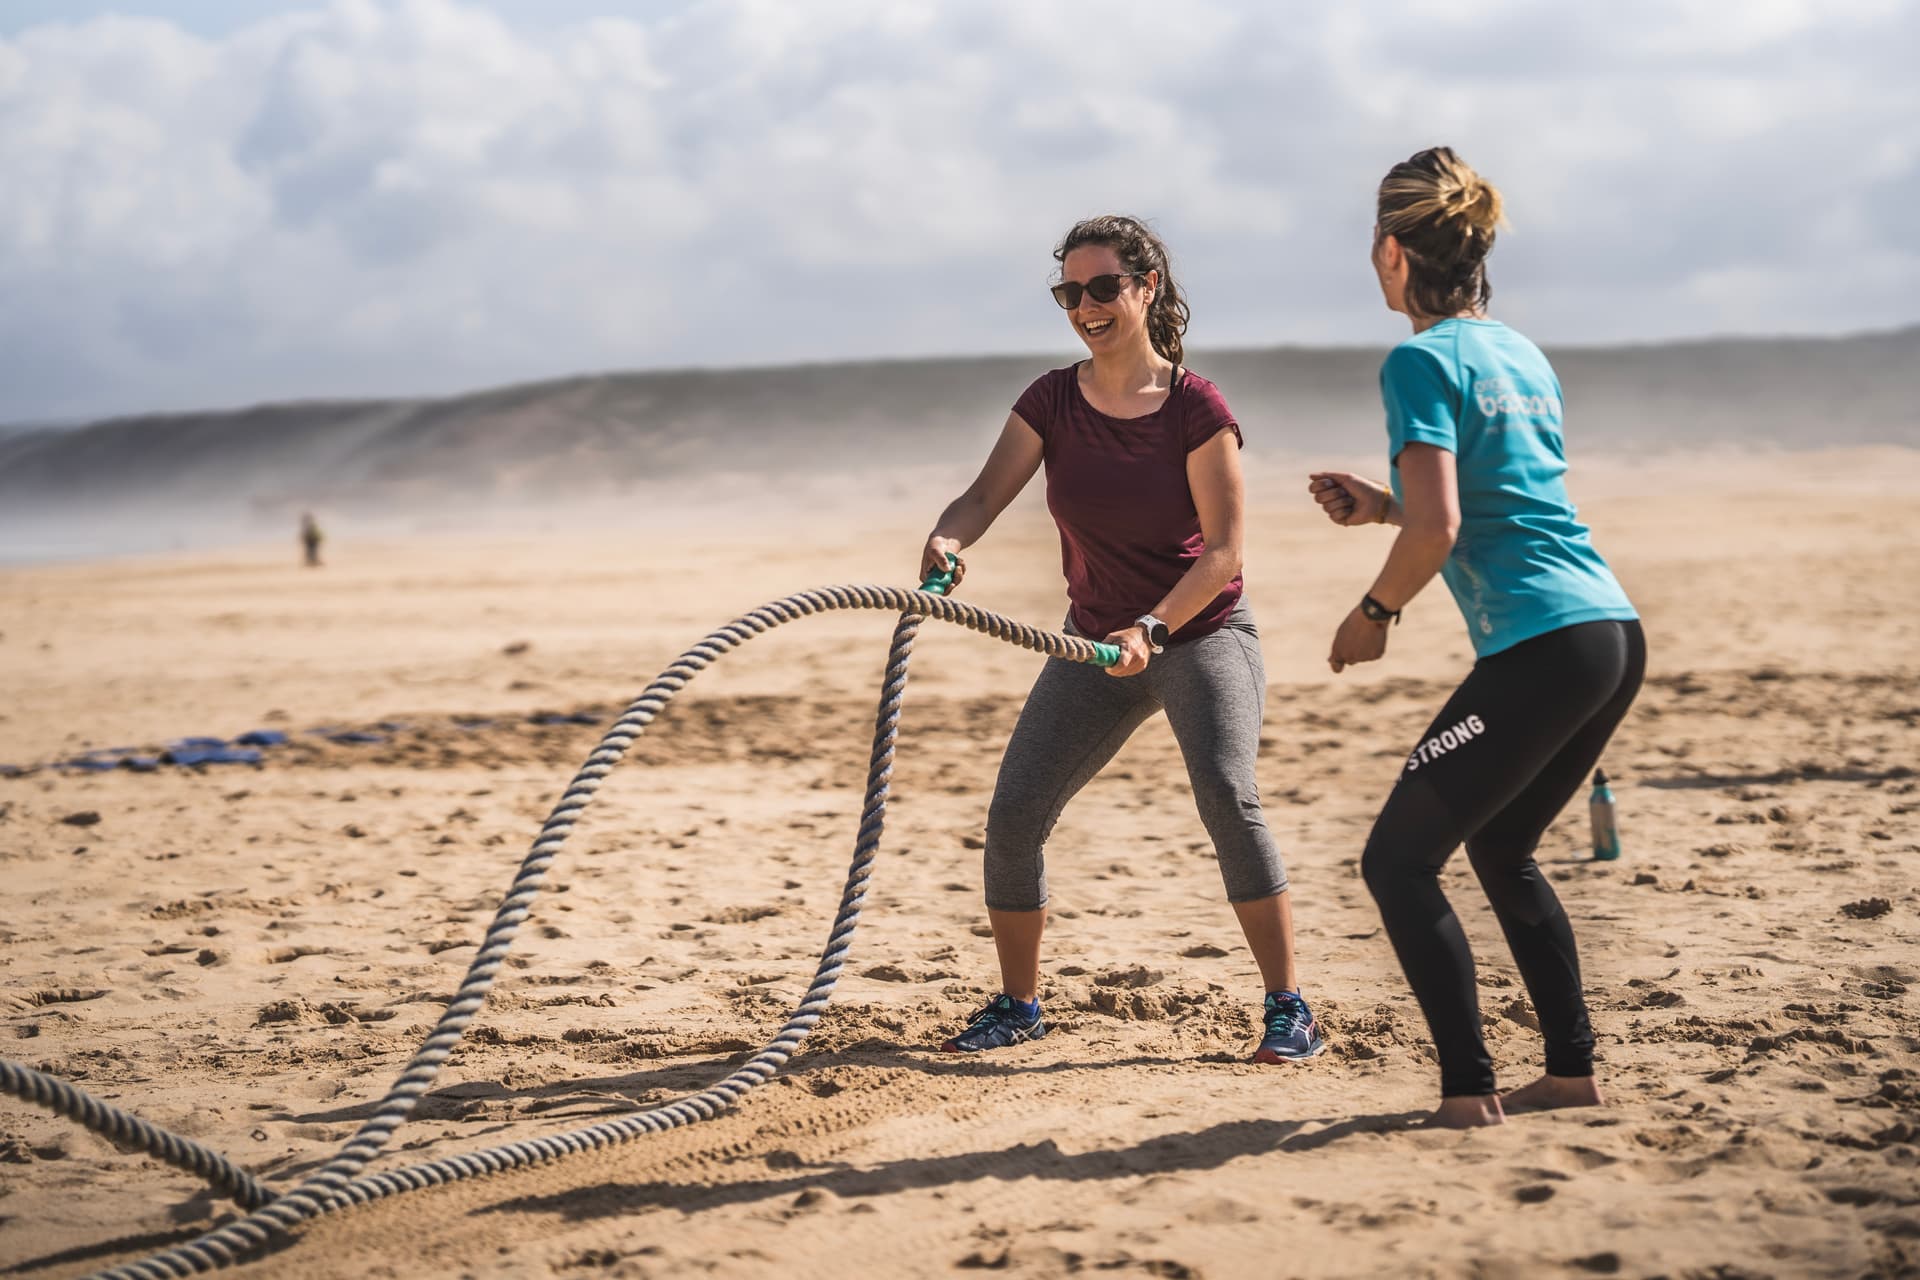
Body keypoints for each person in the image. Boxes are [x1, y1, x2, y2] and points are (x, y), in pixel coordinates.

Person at [922, 215, 1321, 1063]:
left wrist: (1153, 626)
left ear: (1145, 288)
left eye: (1104, 287)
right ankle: (1018, 1006)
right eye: (1071, 292)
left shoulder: (1195, 406)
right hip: (1092, 649)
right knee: (1016, 813)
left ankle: (1290, 1008)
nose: (1086, 306)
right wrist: (949, 542)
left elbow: (1223, 553)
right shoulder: (1051, 401)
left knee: (1226, 793)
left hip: (1202, 635)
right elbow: (982, 497)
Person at [1307, 147, 1645, 1127]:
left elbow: (1444, 527)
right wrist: (1384, 507)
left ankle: (1466, 1091)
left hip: (1544, 646)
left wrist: (1373, 611)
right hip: (1609, 631)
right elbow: (1501, 502)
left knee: (1397, 861)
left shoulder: (1418, 359)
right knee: (1500, 845)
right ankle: (1571, 1071)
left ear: (1390, 251)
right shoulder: (1518, 352)